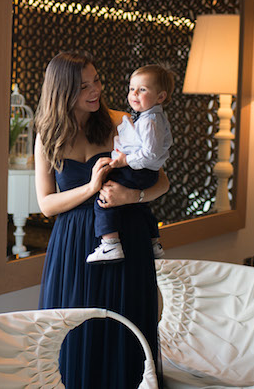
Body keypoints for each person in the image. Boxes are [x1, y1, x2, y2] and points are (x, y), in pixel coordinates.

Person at [35, 50, 168, 388]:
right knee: (72, 335)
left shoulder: (121, 122)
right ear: (63, 92)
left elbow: (161, 182)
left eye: (95, 81)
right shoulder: (47, 136)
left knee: (126, 330)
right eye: (84, 86)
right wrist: (91, 187)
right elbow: (47, 204)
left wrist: (131, 196)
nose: (95, 90)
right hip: (73, 248)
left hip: (125, 238)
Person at [86, 64, 175, 264]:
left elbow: (150, 153)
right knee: (141, 207)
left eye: (142, 89)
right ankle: (154, 241)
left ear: (160, 97)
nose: (134, 94)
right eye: (132, 88)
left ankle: (110, 244)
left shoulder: (149, 121)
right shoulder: (149, 117)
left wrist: (124, 160)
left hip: (140, 170)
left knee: (105, 197)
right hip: (144, 171)